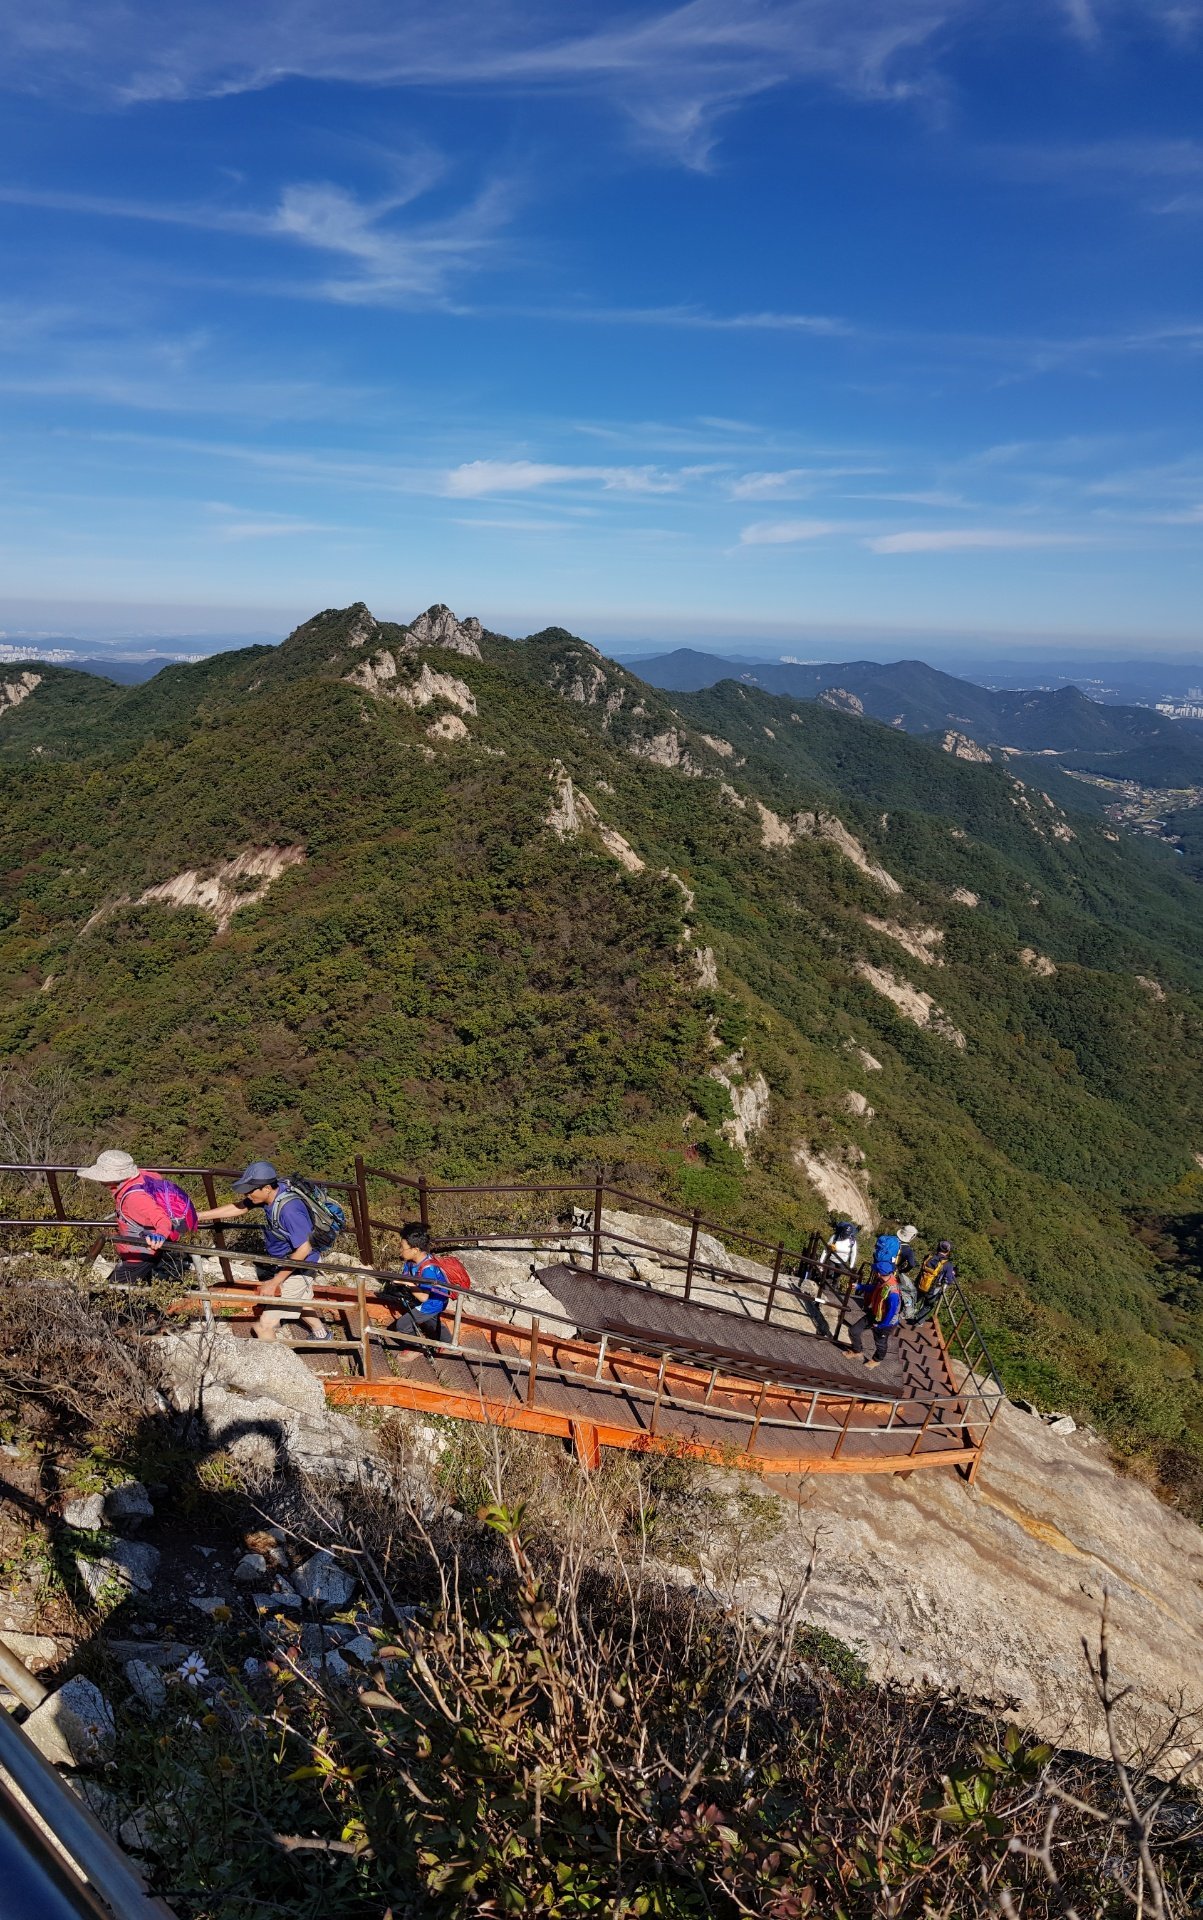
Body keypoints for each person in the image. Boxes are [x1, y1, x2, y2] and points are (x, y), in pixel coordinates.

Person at [196, 1161, 330, 1344]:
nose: (247, 1194)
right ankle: (322, 1334)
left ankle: (277, 1362)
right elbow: (239, 1207)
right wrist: (199, 1216)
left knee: (264, 1326)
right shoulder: (273, 1193)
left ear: (266, 1188)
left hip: (301, 1266)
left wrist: (275, 1281)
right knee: (298, 1299)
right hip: (289, 1262)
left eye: (250, 1190)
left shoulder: (289, 1210)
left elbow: (304, 1249)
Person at [77, 1148, 195, 1285]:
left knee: (107, 1293)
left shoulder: (135, 1198)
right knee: (135, 1290)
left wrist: (159, 1235)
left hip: (139, 1257)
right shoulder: (142, 1177)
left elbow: (162, 1219)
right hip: (141, 1252)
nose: (100, 1181)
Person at [390, 1223, 453, 1350]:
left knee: (402, 1326)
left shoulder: (428, 1270)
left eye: (402, 1247)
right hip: (431, 1298)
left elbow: (424, 1298)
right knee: (431, 1321)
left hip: (434, 1302)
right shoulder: (411, 1261)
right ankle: (448, 1343)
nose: (400, 1250)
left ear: (415, 1250)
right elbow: (407, 1276)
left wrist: (407, 1283)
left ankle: (416, 1348)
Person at [910, 1240, 956, 1325]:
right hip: (933, 1290)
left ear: (938, 1248)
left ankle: (903, 1312)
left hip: (920, 1284)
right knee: (928, 1305)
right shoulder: (948, 1264)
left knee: (913, 1300)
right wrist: (952, 1274)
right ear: (948, 1251)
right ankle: (917, 1321)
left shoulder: (928, 1257)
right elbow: (949, 1280)